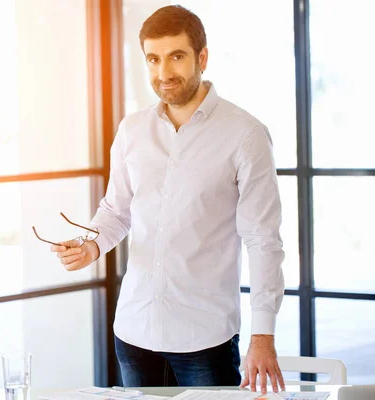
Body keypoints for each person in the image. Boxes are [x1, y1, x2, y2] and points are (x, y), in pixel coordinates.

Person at [50, 4, 285, 395]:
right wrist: (91, 246)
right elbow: (116, 211)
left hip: (204, 339)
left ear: (202, 58)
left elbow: (263, 240)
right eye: (153, 59)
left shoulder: (245, 135)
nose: (163, 73)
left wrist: (263, 335)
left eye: (176, 56)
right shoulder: (132, 130)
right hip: (133, 330)